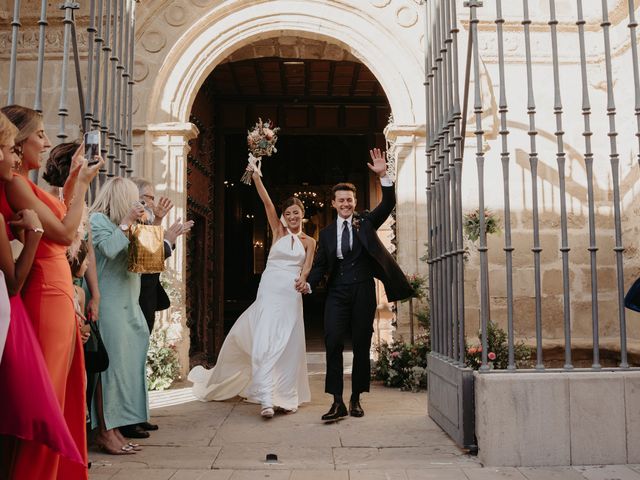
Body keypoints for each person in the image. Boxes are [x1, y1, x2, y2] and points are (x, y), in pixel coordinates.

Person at [1, 105, 102, 479]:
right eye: (39, 136)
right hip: (44, 291)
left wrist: (77, 176)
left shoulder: (29, 185)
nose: (45, 144)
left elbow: (65, 221)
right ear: (18, 140)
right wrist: (84, 188)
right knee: (46, 400)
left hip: (57, 290)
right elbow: (61, 233)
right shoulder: (14, 183)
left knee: (65, 392)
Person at [188, 164, 313, 418]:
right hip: (270, 291)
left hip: (290, 295)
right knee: (265, 341)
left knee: (288, 345)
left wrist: (304, 282)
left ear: (303, 214)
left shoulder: (310, 242)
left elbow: (306, 269)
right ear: (284, 215)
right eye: (288, 213)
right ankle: (266, 398)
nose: (292, 217)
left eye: (296, 213)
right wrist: (256, 177)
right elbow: (267, 203)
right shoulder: (277, 231)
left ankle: (285, 397)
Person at [299, 148, 412, 422]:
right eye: (341, 201)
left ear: (354, 201)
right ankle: (337, 401)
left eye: (349, 199)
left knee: (362, 344)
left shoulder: (366, 222)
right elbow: (321, 266)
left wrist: (384, 175)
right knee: (333, 341)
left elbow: (387, 204)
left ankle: (356, 398)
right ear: (334, 204)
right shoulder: (326, 235)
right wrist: (308, 284)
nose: (346, 204)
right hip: (337, 293)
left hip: (363, 290)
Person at [125, 177, 192, 436]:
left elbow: (153, 257)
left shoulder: (145, 222)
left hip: (148, 298)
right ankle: (129, 418)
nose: (152, 201)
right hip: (136, 298)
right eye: (148, 197)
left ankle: (139, 413)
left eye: (152, 197)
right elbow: (148, 259)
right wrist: (167, 238)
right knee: (132, 360)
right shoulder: (132, 223)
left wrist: (168, 236)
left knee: (140, 358)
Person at [87, 177, 149, 451]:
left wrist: (160, 231)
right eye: (134, 197)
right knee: (108, 372)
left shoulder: (129, 225)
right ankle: (105, 431)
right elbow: (110, 250)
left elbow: (146, 261)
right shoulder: (98, 220)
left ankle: (118, 429)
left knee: (125, 370)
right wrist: (126, 222)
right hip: (108, 305)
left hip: (129, 304)